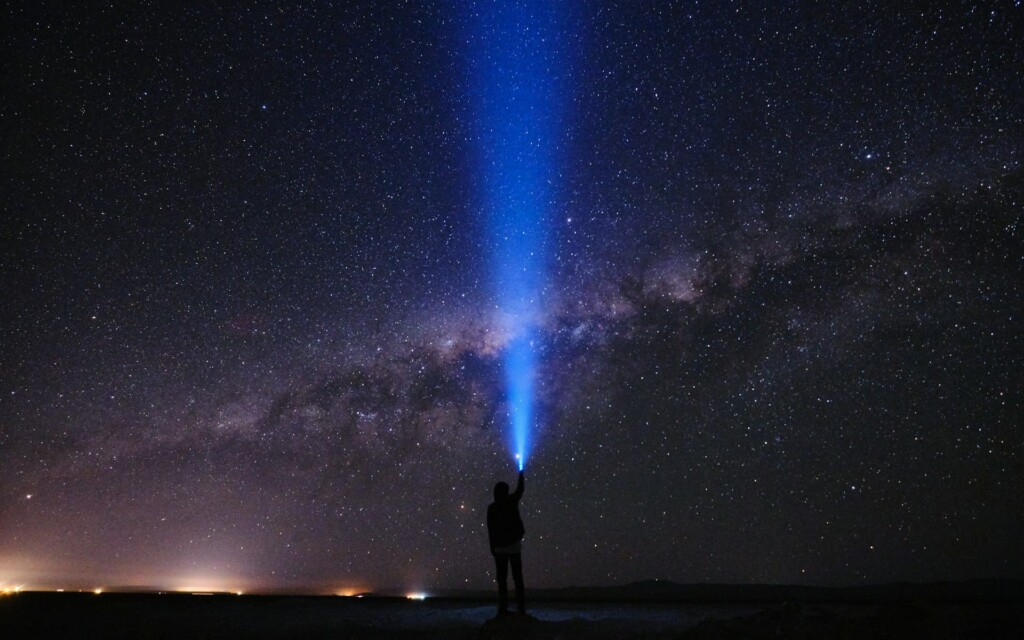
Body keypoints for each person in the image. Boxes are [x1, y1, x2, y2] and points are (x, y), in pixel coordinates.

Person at [487, 469, 526, 615]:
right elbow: (520, 489)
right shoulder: (511, 501)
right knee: (517, 577)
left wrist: (492, 547)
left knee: (502, 579)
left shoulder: (492, 508)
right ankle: (521, 607)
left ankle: (503, 607)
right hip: (514, 545)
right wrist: (521, 474)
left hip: (500, 548)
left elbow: (490, 529)